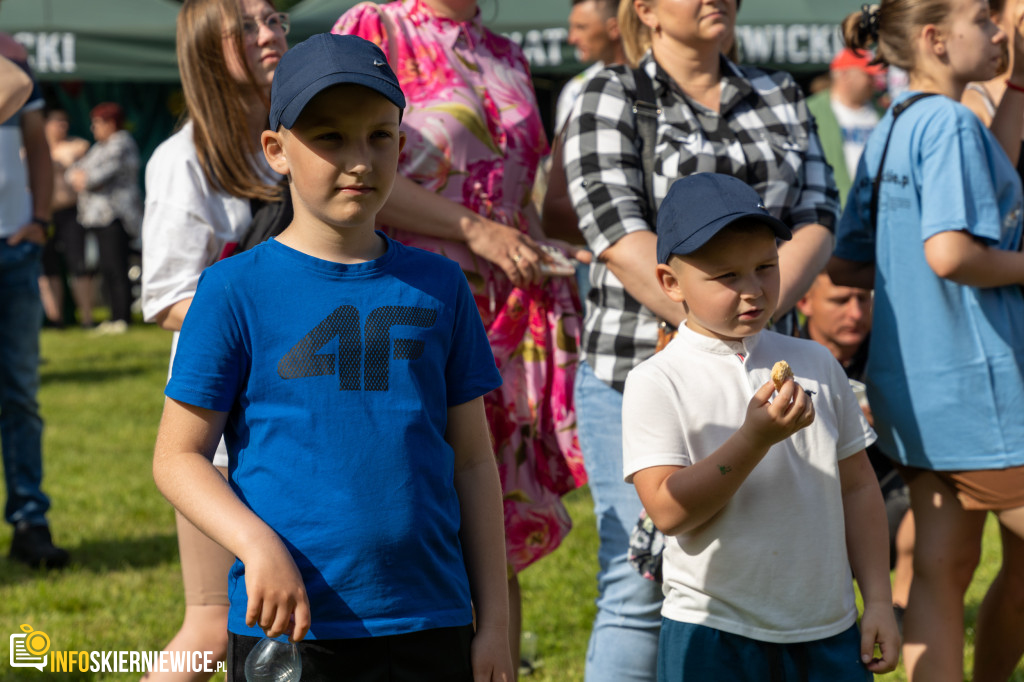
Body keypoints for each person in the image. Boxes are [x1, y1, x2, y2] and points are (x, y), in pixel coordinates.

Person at [152, 33, 515, 682]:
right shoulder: (234, 289)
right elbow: (178, 457)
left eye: (379, 136)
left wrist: (494, 623)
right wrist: (254, 543)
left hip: (433, 621)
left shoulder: (440, 286)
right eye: (329, 138)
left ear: (402, 147)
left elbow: (474, 460)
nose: (359, 160)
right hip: (289, 625)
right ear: (277, 151)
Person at [561, 0, 839, 678]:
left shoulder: (779, 92)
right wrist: (713, 331)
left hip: (771, 377)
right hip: (639, 367)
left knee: (766, 568)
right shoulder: (608, 90)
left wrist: (759, 317)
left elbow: (817, 214)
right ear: (646, 10)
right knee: (638, 585)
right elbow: (615, 236)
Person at [333, 0, 589, 670]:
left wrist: (536, 242)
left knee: (492, 512)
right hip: (411, 300)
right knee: (418, 496)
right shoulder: (376, 27)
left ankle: (497, 659)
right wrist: (476, 230)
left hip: (512, 311)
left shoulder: (505, 51)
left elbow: (516, 187)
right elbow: (345, 174)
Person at [623, 171, 899, 681]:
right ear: (670, 282)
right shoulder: (658, 380)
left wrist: (877, 600)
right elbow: (667, 510)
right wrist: (753, 440)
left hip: (825, 626)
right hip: (713, 630)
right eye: (727, 277)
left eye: (765, 267)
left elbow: (859, 488)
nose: (752, 290)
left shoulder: (814, 360)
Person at [831, 0, 1024, 679]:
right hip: (985, 390)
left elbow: (850, 256)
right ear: (938, 39)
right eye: (987, 17)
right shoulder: (948, 123)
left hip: (915, 392)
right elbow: (950, 250)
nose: (1000, 29)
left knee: (942, 572)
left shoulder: (899, 122)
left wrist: (1017, 85)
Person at [140, 0, 288, 679]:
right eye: (250, 26)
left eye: (276, 20)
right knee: (209, 629)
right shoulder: (183, 159)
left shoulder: (299, 140)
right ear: (207, 45)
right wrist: (276, 313)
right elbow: (167, 297)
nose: (271, 35)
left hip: (303, 413)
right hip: (219, 427)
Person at [795, 270, 914, 621]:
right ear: (805, 301)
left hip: (883, 493)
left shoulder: (892, 355)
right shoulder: (784, 355)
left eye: (864, 300)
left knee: (928, 501)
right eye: (840, 300)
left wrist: (889, 422)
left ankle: (901, 613)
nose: (856, 314)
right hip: (806, 499)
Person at [0, 32, 65, 569]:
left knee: (20, 392)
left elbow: (37, 148)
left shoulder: (15, 64)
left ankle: (29, 519)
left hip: (13, 248)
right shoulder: (13, 65)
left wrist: (39, 221)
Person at [67, 102, 141, 334]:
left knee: (117, 266)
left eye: (97, 122)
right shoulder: (101, 147)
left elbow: (91, 178)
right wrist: (80, 176)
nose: (93, 128)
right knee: (107, 267)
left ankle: (122, 317)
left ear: (111, 123)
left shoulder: (121, 143)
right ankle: (114, 316)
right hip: (97, 218)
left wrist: (82, 178)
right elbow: (74, 174)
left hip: (115, 216)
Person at [806, 48, 886, 207]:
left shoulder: (882, 113)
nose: (873, 81)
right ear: (844, 75)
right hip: (833, 209)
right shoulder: (812, 110)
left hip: (876, 209)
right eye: (867, 75)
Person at [40, 108, 93, 329]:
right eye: (56, 123)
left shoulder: (77, 146)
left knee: (78, 265)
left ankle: (87, 319)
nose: (61, 127)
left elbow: (86, 164)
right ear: (46, 125)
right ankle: (55, 318)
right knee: (47, 268)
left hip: (71, 213)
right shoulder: (34, 147)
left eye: (64, 123)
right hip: (44, 213)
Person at [555, 0, 627, 134]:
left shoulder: (657, 78)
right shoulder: (576, 89)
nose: (572, 38)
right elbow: (563, 152)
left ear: (614, 28)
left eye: (581, 27)